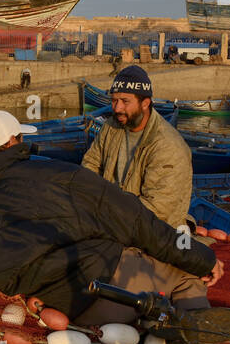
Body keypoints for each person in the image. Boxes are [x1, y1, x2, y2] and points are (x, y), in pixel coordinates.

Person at [0, 109, 222, 325]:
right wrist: (203, 260)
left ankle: (162, 328)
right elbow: (137, 222)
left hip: (61, 304)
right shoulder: (59, 176)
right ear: (14, 140)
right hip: (101, 286)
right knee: (186, 276)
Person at [81, 65, 193, 230]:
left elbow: (157, 210)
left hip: (152, 231)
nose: (117, 108)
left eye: (125, 101)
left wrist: (105, 212)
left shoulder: (168, 147)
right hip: (110, 216)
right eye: (114, 100)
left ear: (145, 103)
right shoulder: (112, 126)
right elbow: (91, 164)